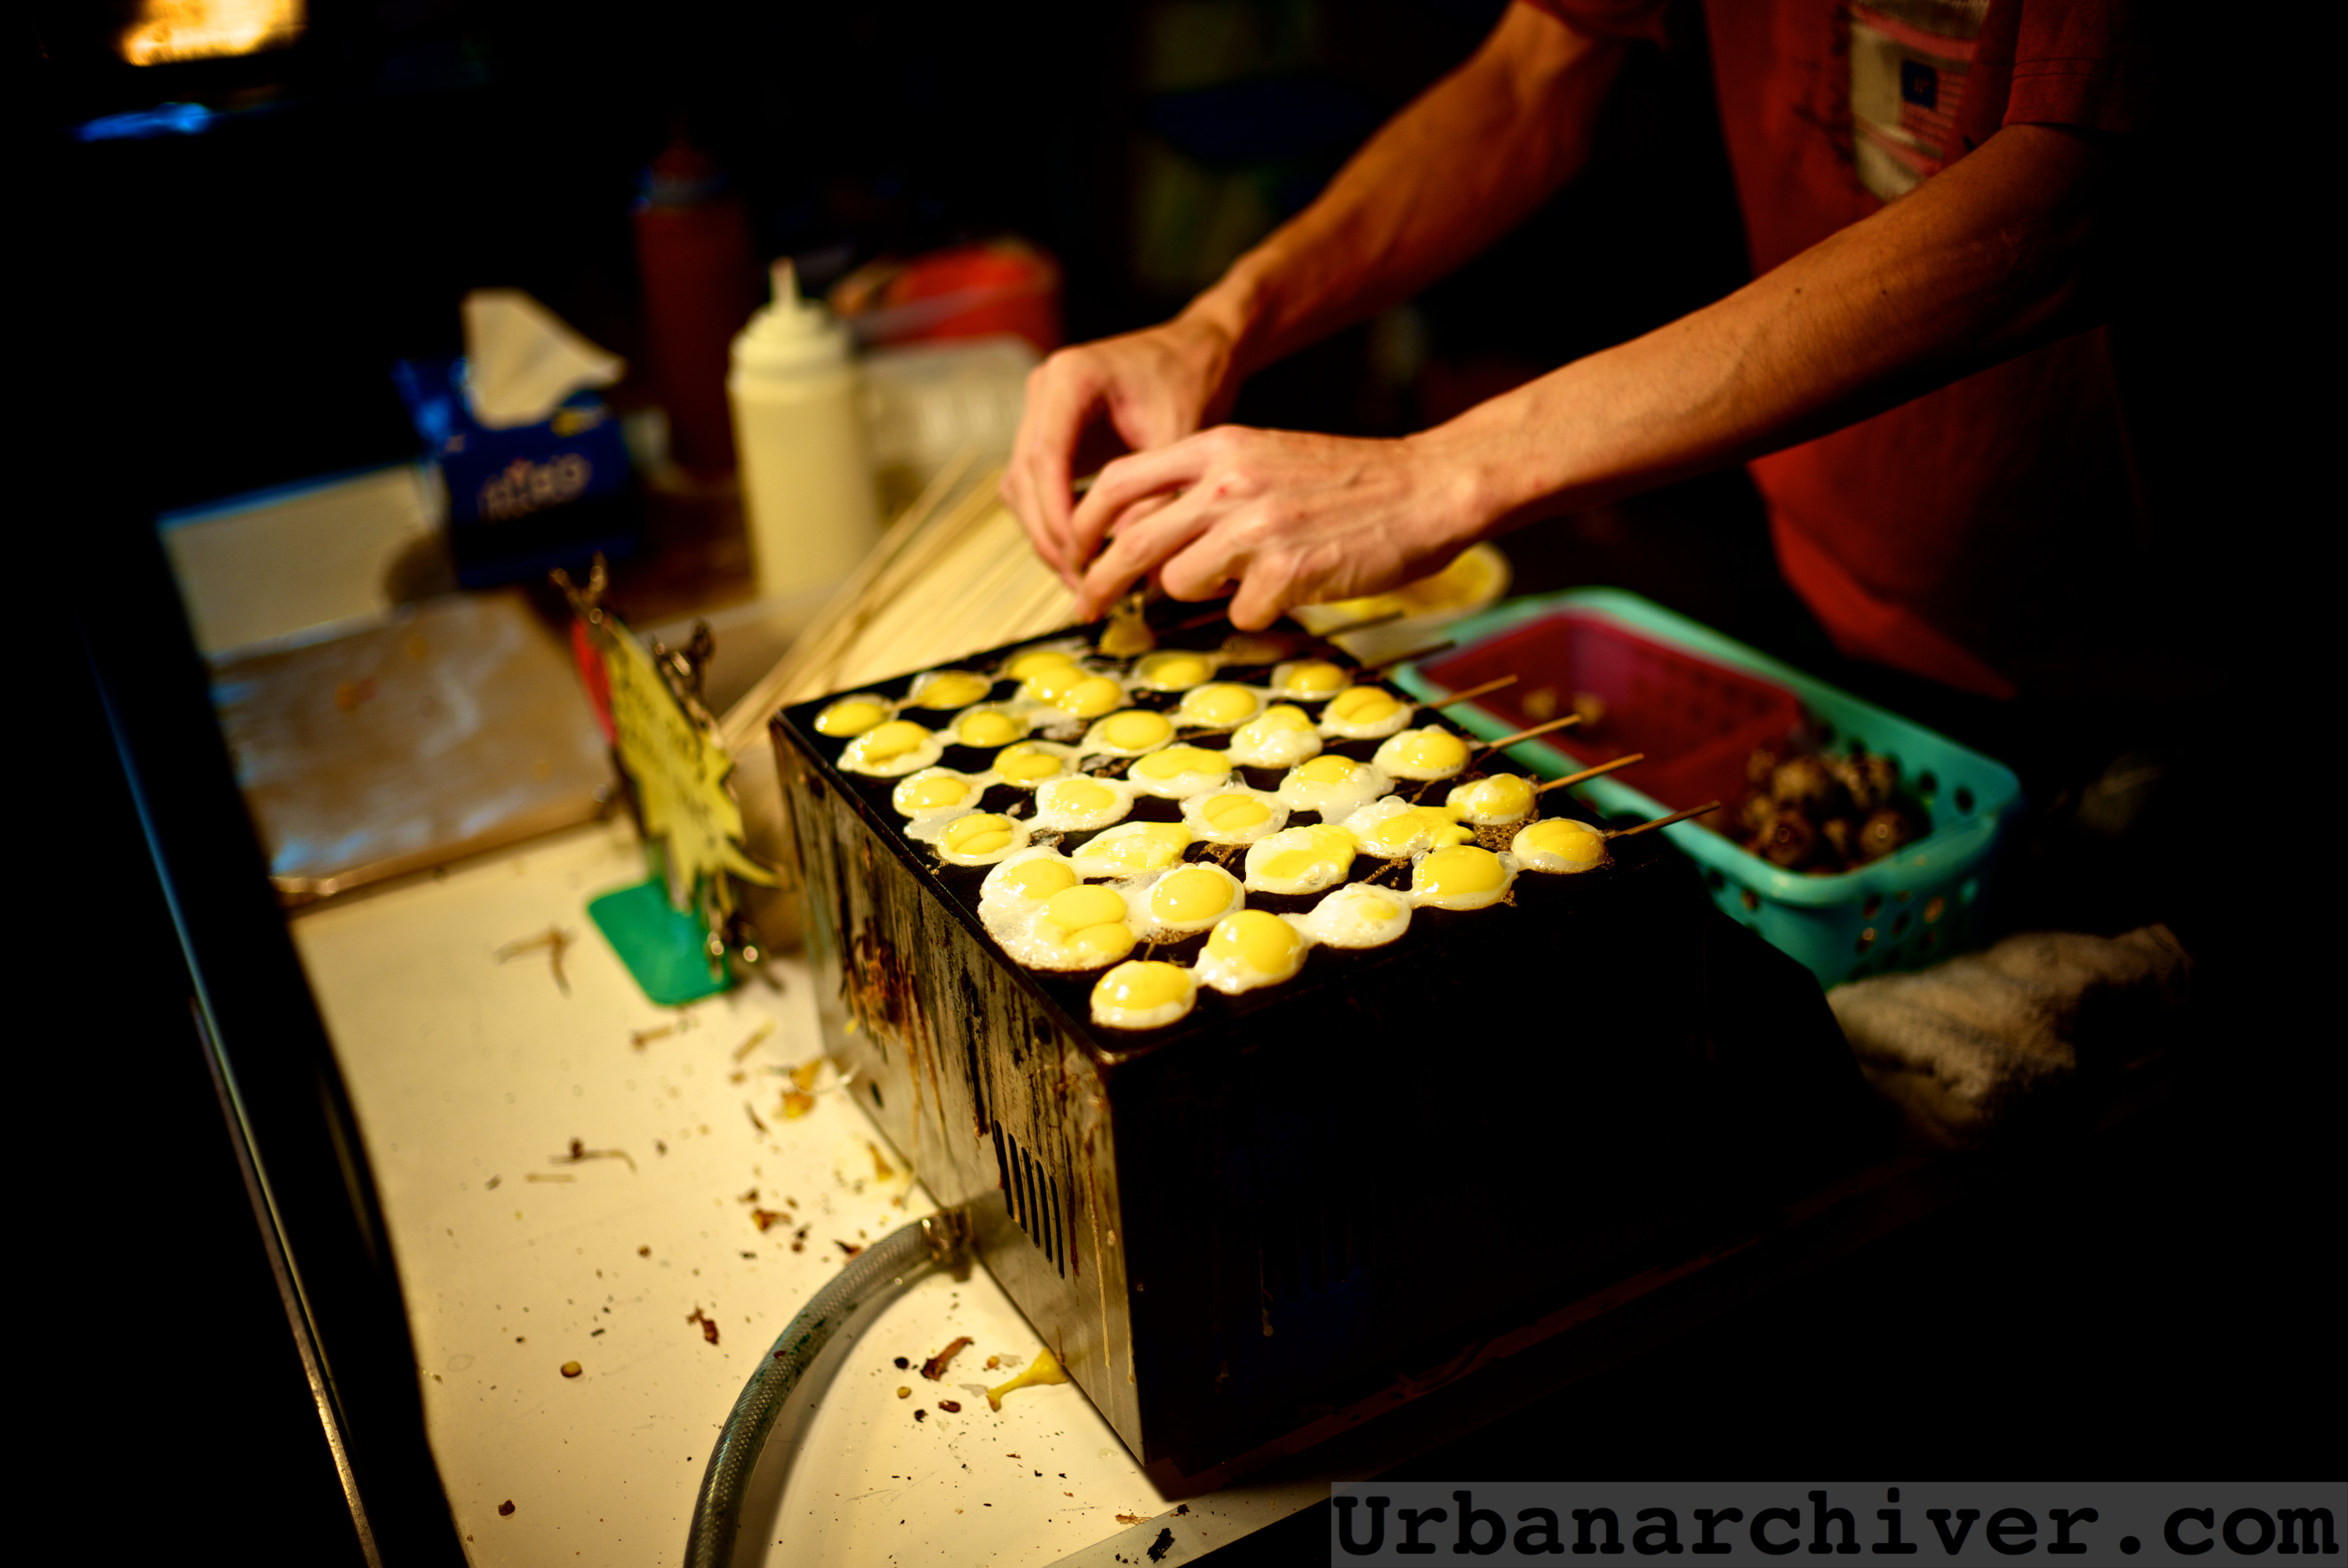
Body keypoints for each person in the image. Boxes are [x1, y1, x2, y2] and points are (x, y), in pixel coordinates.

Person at [1001, 0, 2156, 703]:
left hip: (2141, 642)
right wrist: (1213, 327)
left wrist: (1439, 471)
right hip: (1836, 576)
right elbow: (1532, 75)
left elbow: (2061, 206)